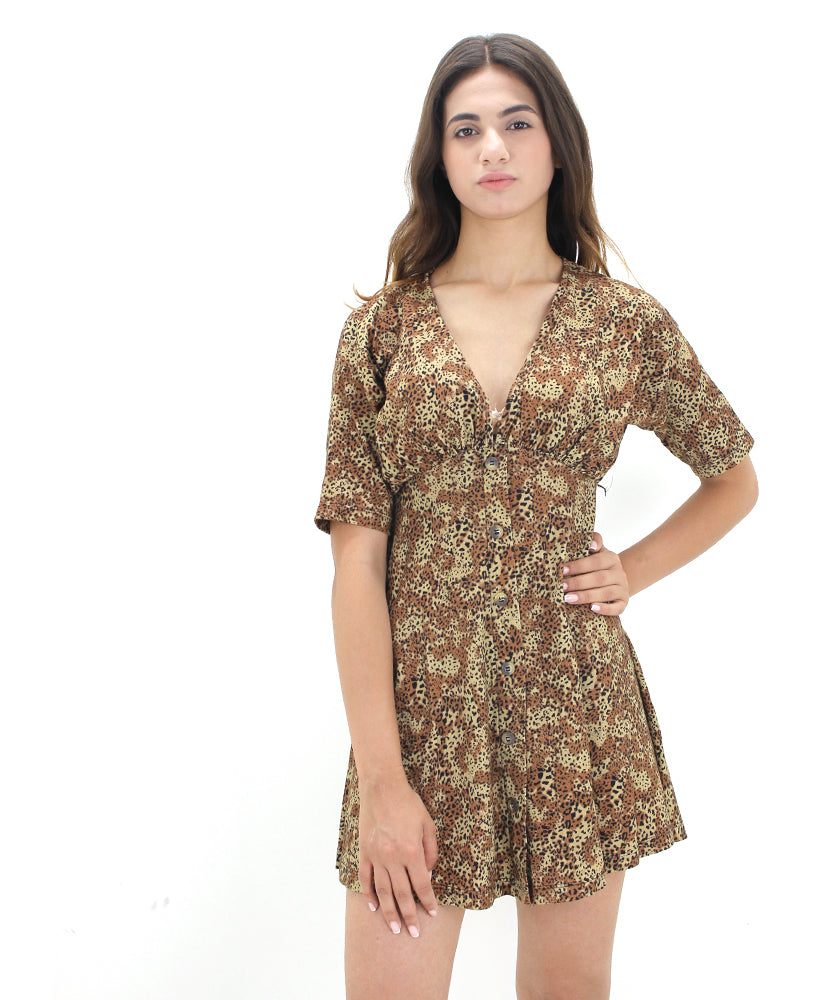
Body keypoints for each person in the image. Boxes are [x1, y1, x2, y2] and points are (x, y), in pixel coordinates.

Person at [313, 32, 758, 1000]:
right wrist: (383, 780)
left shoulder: (622, 323)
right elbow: (355, 562)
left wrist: (633, 568)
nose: (493, 149)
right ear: (438, 157)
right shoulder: (382, 330)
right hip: (421, 720)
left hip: (575, 708)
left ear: (558, 145)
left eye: (517, 124)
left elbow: (733, 477)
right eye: (465, 129)